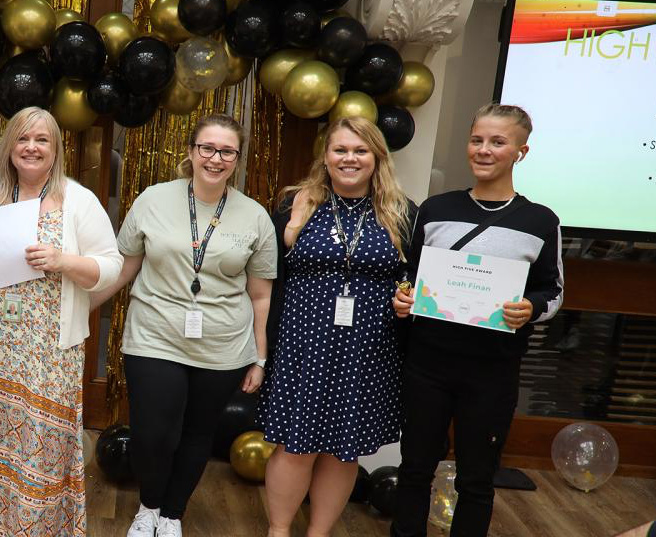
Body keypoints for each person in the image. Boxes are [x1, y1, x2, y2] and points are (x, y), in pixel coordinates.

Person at [91, 113, 277, 537]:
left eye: (226, 151)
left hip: (223, 343)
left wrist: (259, 357)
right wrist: (78, 311)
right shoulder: (153, 200)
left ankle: (172, 514)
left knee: (198, 433)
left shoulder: (254, 218)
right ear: (191, 151)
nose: (215, 158)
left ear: (237, 158)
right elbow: (123, 270)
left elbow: (261, 295)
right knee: (153, 434)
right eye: (207, 148)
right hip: (154, 334)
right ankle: (150, 506)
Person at [0, 107, 122, 537]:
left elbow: (112, 266)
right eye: (23, 139)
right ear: (9, 146)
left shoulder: (78, 199)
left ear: (56, 149)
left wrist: (64, 261)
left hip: (47, 349)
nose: (31, 147)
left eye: (42, 140)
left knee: (39, 444)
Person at [390, 104, 563, 537]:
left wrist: (530, 310)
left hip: (492, 370)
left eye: (497, 142)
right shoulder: (435, 209)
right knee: (414, 469)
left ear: (520, 152)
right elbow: (409, 278)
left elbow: (553, 292)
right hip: (427, 365)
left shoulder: (540, 221)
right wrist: (403, 297)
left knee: (477, 480)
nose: (483, 150)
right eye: (477, 140)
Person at [259, 117, 414, 537]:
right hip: (302, 345)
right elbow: (266, 279)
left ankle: (319, 533)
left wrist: (408, 298)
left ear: (376, 157)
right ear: (325, 157)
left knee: (343, 453)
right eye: (340, 150)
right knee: (296, 446)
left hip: (369, 350)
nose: (349, 158)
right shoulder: (295, 203)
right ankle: (279, 530)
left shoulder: (402, 213)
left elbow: (415, 282)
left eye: (360, 151)